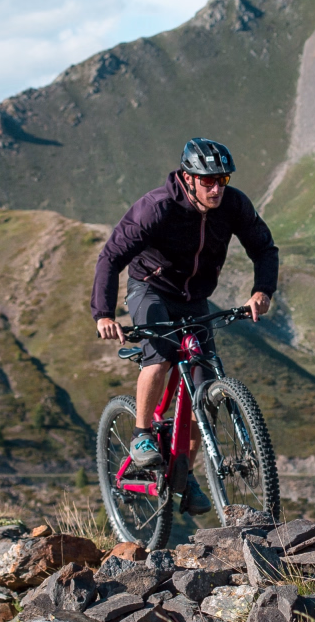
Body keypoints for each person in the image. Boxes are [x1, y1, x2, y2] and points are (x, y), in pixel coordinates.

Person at [92, 138, 278, 511]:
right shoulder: (157, 207)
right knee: (159, 357)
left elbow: (263, 248)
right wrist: (104, 315)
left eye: (222, 179)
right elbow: (111, 257)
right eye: (208, 180)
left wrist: (262, 291)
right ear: (188, 178)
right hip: (151, 290)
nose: (216, 188)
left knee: (203, 389)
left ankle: (184, 473)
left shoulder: (234, 205)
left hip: (194, 298)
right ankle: (142, 434)